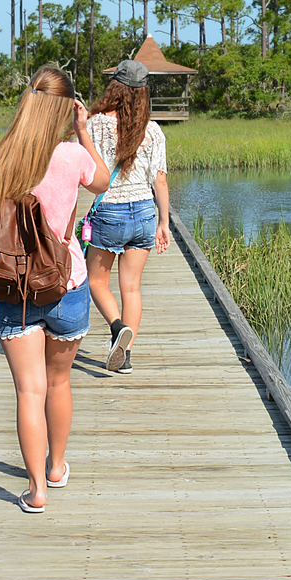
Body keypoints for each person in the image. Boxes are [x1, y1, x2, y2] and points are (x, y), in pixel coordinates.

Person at [0, 65, 112, 513]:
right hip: (67, 284)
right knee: (59, 381)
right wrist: (85, 133)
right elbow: (103, 181)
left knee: (30, 390)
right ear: (66, 110)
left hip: (14, 291)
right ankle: (56, 466)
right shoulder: (71, 155)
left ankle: (35, 491)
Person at [83, 58, 172, 375]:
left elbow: (85, 171)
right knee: (131, 288)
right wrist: (164, 223)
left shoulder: (94, 123)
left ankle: (116, 326)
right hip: (145, 211)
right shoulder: (154, 129)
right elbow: (159, 180)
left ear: (114, 87)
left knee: (95, 280)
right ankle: (126, 356)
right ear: (143, 92)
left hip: (110, 211)